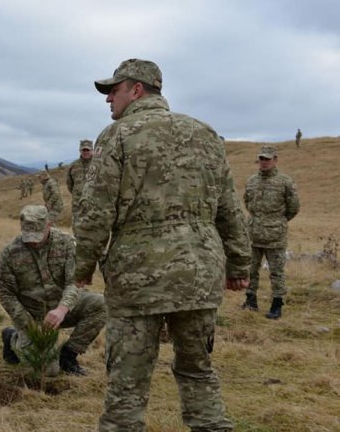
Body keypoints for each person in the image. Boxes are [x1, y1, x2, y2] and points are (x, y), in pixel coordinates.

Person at [74, 58, 251, 432]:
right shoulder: (205, 133)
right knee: (198, 372)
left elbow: (95, 212)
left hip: (139, 278)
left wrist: (81, 268)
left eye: (113, 91)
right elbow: (229, 208)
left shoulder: (117, 136)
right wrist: (238, 265)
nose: (108, 100)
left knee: (128, 381)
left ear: (136, 89)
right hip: (199, 275)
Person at [0, 205, 106, 375]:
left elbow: (74, 282)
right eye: (29, 237)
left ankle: (68, 355)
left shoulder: (67, 243)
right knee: (47, 371)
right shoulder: (10, 253)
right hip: (33, 316)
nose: (33, 242)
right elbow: (6, 293)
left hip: (63, 306)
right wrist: (29, 325)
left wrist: (62, 309)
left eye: (37, 236)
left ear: (49, 225)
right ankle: (12, 337)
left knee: (101, 304)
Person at [243, 145, 300, 319]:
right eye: (261, 159)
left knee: (276, 272)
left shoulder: (285, 182)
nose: (264, 162)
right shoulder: (252, 181)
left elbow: (294, 208)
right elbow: (247, 202)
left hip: (275, 237)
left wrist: (278, 222)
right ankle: (250, 300)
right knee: (251, 270)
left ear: (275, 160)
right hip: (253, 235)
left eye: (267, 159)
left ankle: (277, 304)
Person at [66, 139, 93, 235]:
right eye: (83, 150)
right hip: (77, 204)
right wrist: (77, 194)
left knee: (93, 228)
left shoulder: (98, 164)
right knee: (77, 228)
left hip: (94, 203)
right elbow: (69, 184)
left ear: (92, 150)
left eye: (87, 150)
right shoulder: (73, 166)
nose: (85, 152)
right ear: (80, 150)